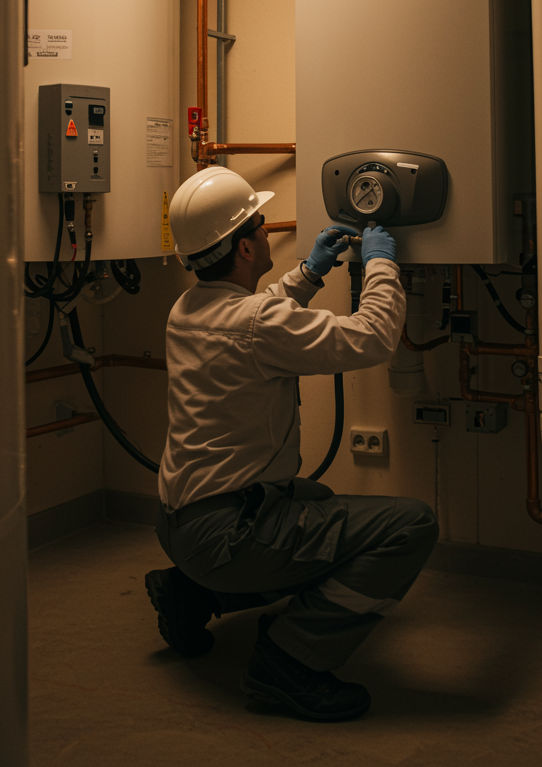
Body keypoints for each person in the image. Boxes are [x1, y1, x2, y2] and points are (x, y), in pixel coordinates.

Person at [144, 167, 439, 722]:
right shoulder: (256, 323)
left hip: (177, 522)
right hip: (227, 538)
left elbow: (252, 320)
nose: (264, 231)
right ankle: (287, 662)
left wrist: (308, 274)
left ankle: (191, 594)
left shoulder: (184, 311)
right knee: (411, 525)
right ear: (246, 247)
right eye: (257, 224)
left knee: (318, 502)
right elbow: (372, 337)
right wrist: (380, 262)